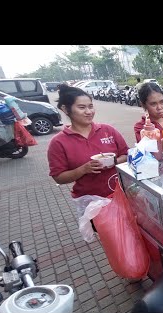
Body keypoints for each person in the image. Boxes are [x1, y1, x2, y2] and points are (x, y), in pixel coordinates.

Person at [47, 84, 129, 218]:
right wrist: (83, 169)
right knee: (109, 236)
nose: (89, 112)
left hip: (121, 193)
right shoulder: (58, 142)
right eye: (82, 107)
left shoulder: (108, 130)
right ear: (65, 109)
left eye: (90, 106)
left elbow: (126, 154)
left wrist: (113, 161)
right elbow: (58, 177)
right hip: (91, 201)